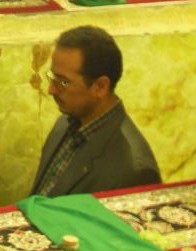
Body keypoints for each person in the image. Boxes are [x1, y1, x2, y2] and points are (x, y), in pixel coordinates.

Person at [31, 26, 161, 196]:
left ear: (100, 87)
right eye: (52, 77)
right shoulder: (64, 123)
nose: (51, 90)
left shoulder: (136, 171)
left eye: (63, 82)